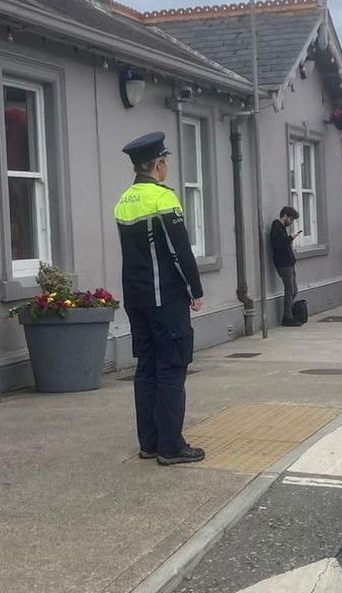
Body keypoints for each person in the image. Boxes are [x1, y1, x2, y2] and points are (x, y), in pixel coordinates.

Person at [114, 131, 205, 466]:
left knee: (147, 368)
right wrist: (195, 290)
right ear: (159, 164)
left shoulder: (124, 200)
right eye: (165, 162)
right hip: (164, 297)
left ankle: (149, 442)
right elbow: (180, 251)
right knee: (172, 367)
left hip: (136, 298)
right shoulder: (163, 199)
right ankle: (171, 446)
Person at [270, 206, 302, 326]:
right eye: (291, 219)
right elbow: (279, 246)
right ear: (285, 216)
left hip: (289, 263)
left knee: (294, 290)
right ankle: (287, 317)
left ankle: (289, 312)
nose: (291, 222)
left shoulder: (282, 227)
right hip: (283, 264)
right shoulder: (276, 227)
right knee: (289, 290)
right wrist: (290, 238)